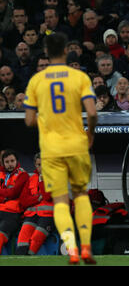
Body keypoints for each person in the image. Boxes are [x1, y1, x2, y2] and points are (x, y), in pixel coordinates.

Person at [23, 33, 98, 265]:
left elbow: (28, 120)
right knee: (81, 195)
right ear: (65, 51)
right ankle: (86, 247)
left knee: (60, 201)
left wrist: (46, 121)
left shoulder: (36, 81)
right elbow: (93, 113)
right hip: (76, 144)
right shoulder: (79, 77)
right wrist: (90, 134)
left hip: (51, 149)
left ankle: (72, 249)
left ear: (46, 52)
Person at [15, 152, 55, 255]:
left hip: (48, 216)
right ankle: (19, 259)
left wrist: (42, 180)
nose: (42, 167)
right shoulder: (30, 178)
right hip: (32, 215)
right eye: (39, 165)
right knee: (23, 236)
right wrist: (38, 198)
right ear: (35, 165)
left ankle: (29, 259)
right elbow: (23, 201)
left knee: (37, 237)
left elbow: (47, 196)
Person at [0, 149, 30, 253]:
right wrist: (6, 194)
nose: (10, 164)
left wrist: (2, 193)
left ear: (17, 161)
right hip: (1, 209)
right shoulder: (1, 174)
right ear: (3, 163)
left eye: (12, 161)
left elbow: (14, 193)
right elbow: (10, 193)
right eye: (7, 162)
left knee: (1, 235)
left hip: (12, 213)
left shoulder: (23, 175)